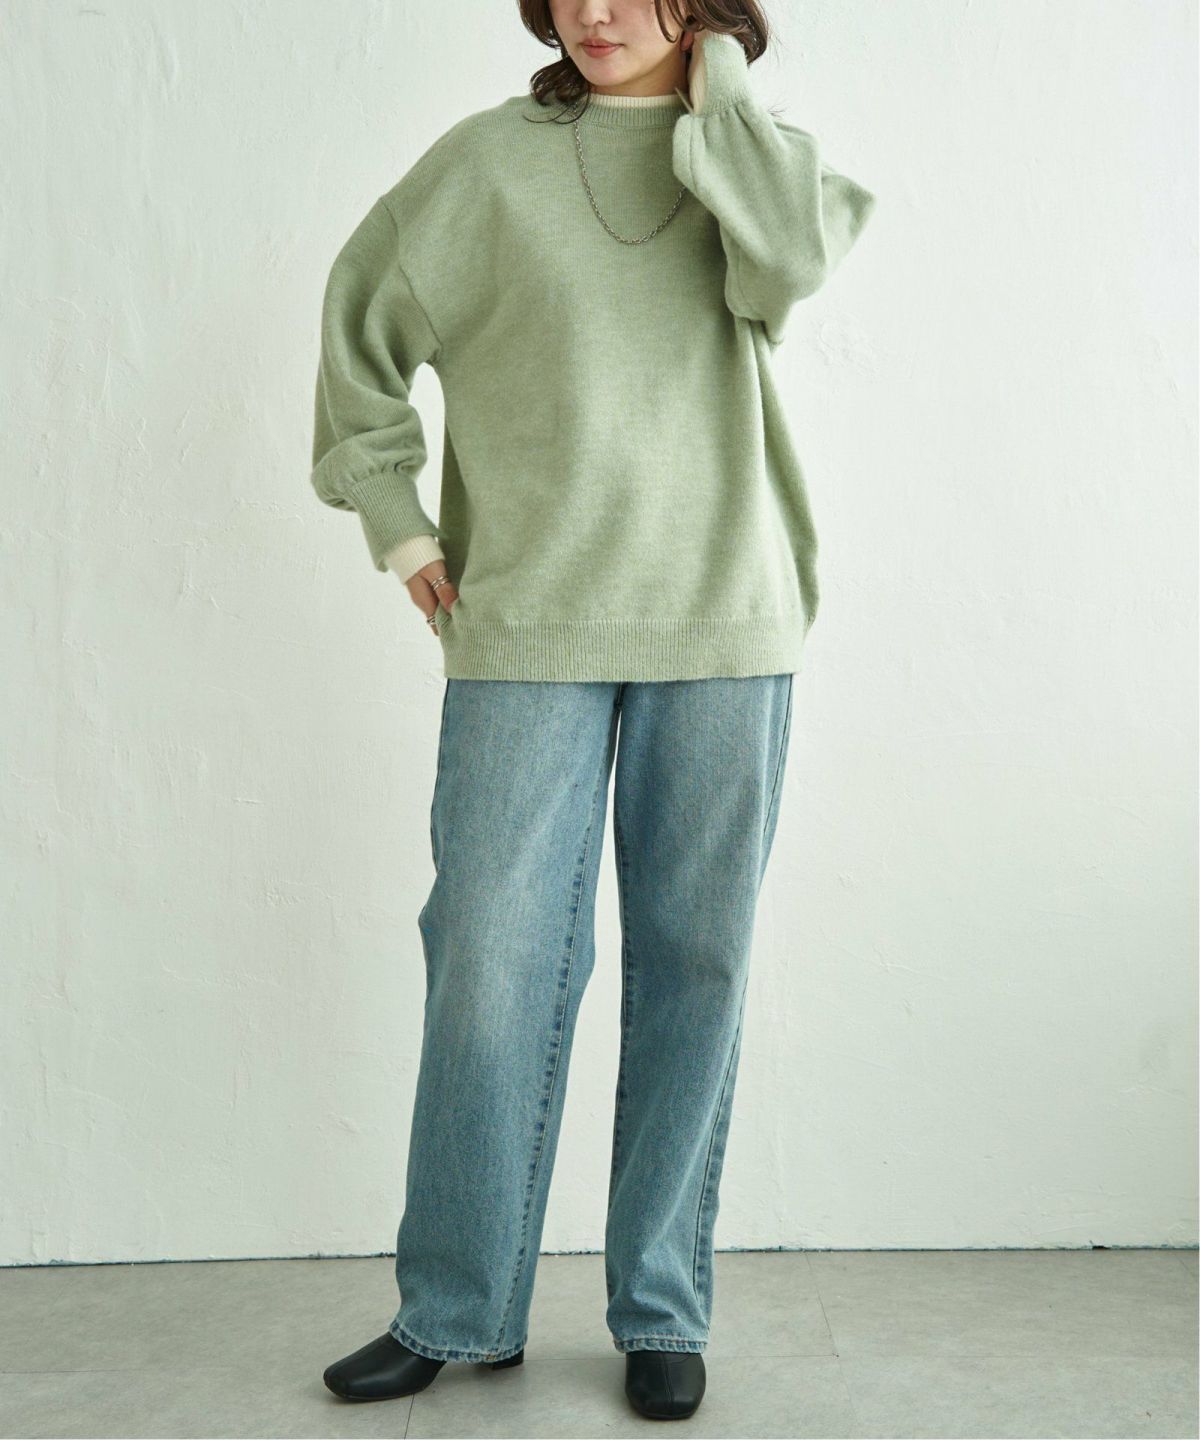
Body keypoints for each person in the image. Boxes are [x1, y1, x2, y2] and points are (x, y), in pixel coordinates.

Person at [310, 0, 876, 1421]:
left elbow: (790, 263)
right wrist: (398, 521)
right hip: (528, 622)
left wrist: (718, 82)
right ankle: (456, 1308)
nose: (596, 11)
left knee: (696, 966)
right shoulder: (485, 164)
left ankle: (662, 1307)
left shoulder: (749, 158)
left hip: (724, 613)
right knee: (489, 961)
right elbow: (360, 322)